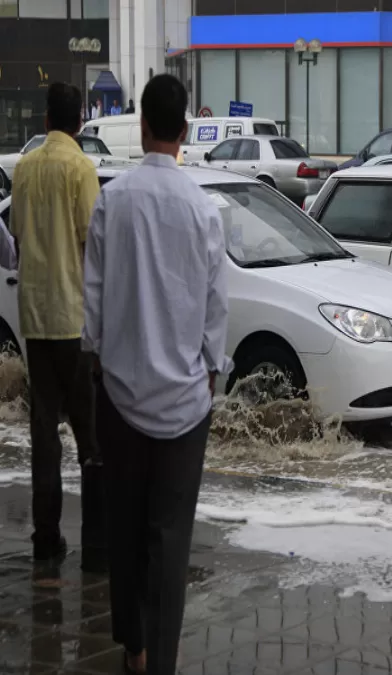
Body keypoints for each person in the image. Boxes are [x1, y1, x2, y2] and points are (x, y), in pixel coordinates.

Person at [82, 73, 232, 675]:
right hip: (185, 405)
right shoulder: (203, 210)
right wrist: (210, 374)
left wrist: (96, 361)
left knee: (124, 527)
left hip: (119, 394)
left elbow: (92, 300)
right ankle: (160, 661)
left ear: (142, 125)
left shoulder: (113, 200)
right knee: (169, 541)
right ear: (186, 130)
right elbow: (215, 309)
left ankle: (134, 648)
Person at [8, 82, 104, 565]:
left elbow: (18, 236)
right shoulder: (81, 169)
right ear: (80, 122)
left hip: (34, 317)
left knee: (43, 431)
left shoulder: (23, 169)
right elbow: (93, 243)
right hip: (74, 319)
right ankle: (96, 542)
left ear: (46, 120)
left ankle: (46, 537)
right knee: (90, 432)